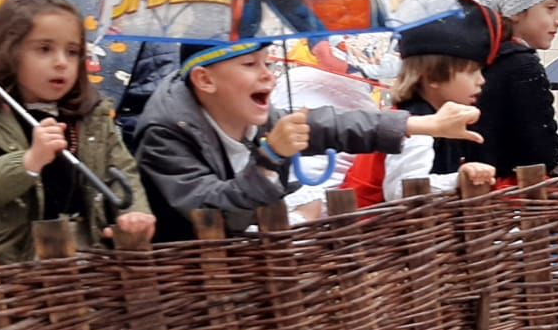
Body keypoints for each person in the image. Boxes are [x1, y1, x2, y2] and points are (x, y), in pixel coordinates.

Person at [133, 41, 482, 241]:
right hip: (191, 286)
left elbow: (332, 126)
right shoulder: (165, 133)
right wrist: (271, 157)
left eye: (268, 61)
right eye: (251, 64)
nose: (268, 74)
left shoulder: (248, 111)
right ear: (205, 80)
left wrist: (424, 124)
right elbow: (212, 213)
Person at [0, 0, 154, 265]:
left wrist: (133, 211)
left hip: (82, 247)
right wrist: (30, 160)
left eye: (72, 52)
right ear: (9, 53)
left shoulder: (91, 115)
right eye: (44, 49)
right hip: (8, 257)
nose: (61, 63)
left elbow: (120, 169)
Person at [349, 1, 499, 205]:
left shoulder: (435, 117)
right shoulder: (416, 123)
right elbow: (402, 191)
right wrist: (457, 179)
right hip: (370, 230)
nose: (481, 80)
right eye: (471, 71)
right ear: (432, 76)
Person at [468, 0, 558, 180]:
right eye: (551, 8)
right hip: (510, 199)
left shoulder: (483, 57)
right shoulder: (521, 64)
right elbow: (544, 155)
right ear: (516, 12)